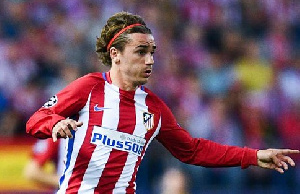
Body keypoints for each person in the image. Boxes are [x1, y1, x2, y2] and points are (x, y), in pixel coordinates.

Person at [26, 12, 299, 193]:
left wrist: (252, 156)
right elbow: (35, 120)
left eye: (152, 52)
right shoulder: (89, 87)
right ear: (116, 54)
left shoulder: (154, 108)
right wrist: (56, 122)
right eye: (141, 52)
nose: (150, 60)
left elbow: (192, 150)